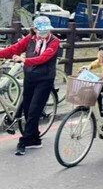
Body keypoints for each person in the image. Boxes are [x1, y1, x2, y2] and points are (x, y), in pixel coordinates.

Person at [0, 16, 60, 156]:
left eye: (46, 30)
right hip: (30, 77)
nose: (43, 32)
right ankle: (34, 139)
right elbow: (14, 49)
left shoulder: (54, 41)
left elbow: (43, 58)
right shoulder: (30, 38)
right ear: (34, 28)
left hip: (45, 79)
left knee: (34, 110)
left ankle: (23, 142)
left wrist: (24, 59)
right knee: (27, 110)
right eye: (40, 30)